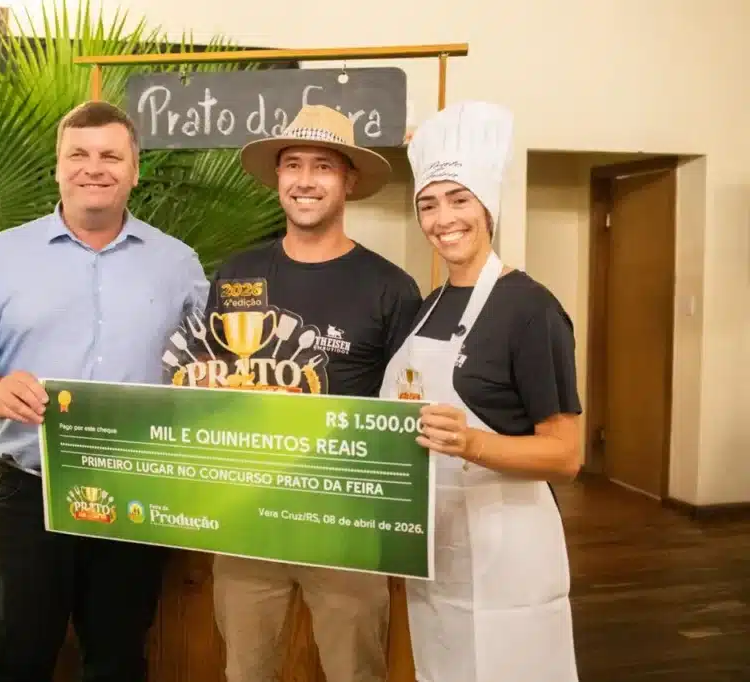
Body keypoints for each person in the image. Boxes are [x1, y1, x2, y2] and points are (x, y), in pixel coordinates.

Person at [0, 101, 209, 682]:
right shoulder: (3, 256)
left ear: (135, 170)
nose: (93, 168)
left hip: (135, 489)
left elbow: (209, 358)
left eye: (111, 156)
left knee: (118, 659)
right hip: (27, 491)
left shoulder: (177, 263)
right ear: (57, 168)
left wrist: (208, 378)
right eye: (78, 154)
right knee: (18, 658)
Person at [202, 104, 424, 682]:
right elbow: (209, 384)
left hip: (346, 525)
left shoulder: (391, 288)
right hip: (248, 518)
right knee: (245, 672)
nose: (305, 180)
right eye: (293, 164)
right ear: (277, 176)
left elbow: (407, 411)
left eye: (323, 166)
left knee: (357, 673)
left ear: (349, 181)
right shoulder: (237, 275)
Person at [380, 100, 582, 682]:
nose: (443, 218)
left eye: (459, 199)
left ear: (487, 206)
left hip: (507, 555)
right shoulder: (429, 306)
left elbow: (565, 455)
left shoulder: (530, 309)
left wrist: (470, 443)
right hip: (436, 551)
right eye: (428, 204)